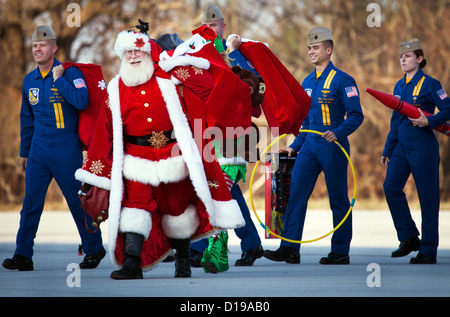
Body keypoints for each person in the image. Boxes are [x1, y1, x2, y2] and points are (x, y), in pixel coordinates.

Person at [75, 27, 245, 279]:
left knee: (176, 208)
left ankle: (184, 261)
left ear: (148, 53)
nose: (133, 56)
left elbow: (206, 84)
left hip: (171, 156)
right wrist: (96, 170)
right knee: (134, 207)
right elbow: (104, 130)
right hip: (134, 158)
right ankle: (132, 264)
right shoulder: (116, 88)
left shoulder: (168, 78)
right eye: (128, 51)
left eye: (138, 50)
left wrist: (177, 63)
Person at [2, 26, 105, 271]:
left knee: (77, 202)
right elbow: (26, 119)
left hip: (66, 148)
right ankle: (23, 255)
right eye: (35, 46)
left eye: (43, 45)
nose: (38, 49)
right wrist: (24, 152)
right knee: (31, 203)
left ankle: (94, 248)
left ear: (54, 48)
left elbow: (82, 100)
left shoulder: (70, 73)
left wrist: (59, 81)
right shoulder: (29, 80)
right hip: (38, 148)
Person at [264, 27, 364, 265]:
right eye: (309, 47)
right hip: (309, 146)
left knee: (338, 198)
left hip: (333, 147)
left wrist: (338, 133)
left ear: (328, 50)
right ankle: (289, 248)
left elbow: (356, 116)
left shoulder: (343, 80)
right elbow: (306, 122)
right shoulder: (307, 81)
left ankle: (340, 251)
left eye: (316, 47)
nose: (311, 51)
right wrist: (294, 147)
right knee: (296, 193)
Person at [189, 4, 264, 269]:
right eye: (207, 27)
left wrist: (233, 53)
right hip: (207, 133)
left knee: (222, 189)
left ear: (223, 26)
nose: (211, 30)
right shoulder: (198, 52)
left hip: (231, 135)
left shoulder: (233, 54)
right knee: (216, 189)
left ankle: (204, 248)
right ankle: (248, 244)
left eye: (215, 26)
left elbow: (250, 83)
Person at [381, 39, 450, 264]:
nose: (403, 59)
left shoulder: (431, 84)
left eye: (408, 56)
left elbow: (448, 109)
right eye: (401, 56)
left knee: (428, 198)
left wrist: (428, 121)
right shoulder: (398, 86)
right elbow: (395, 119)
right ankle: (409, 237)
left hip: (423, 147)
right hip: (401, 147)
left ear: (419, 60)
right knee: (390, 188)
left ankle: (428, 250)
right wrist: (388, 148)